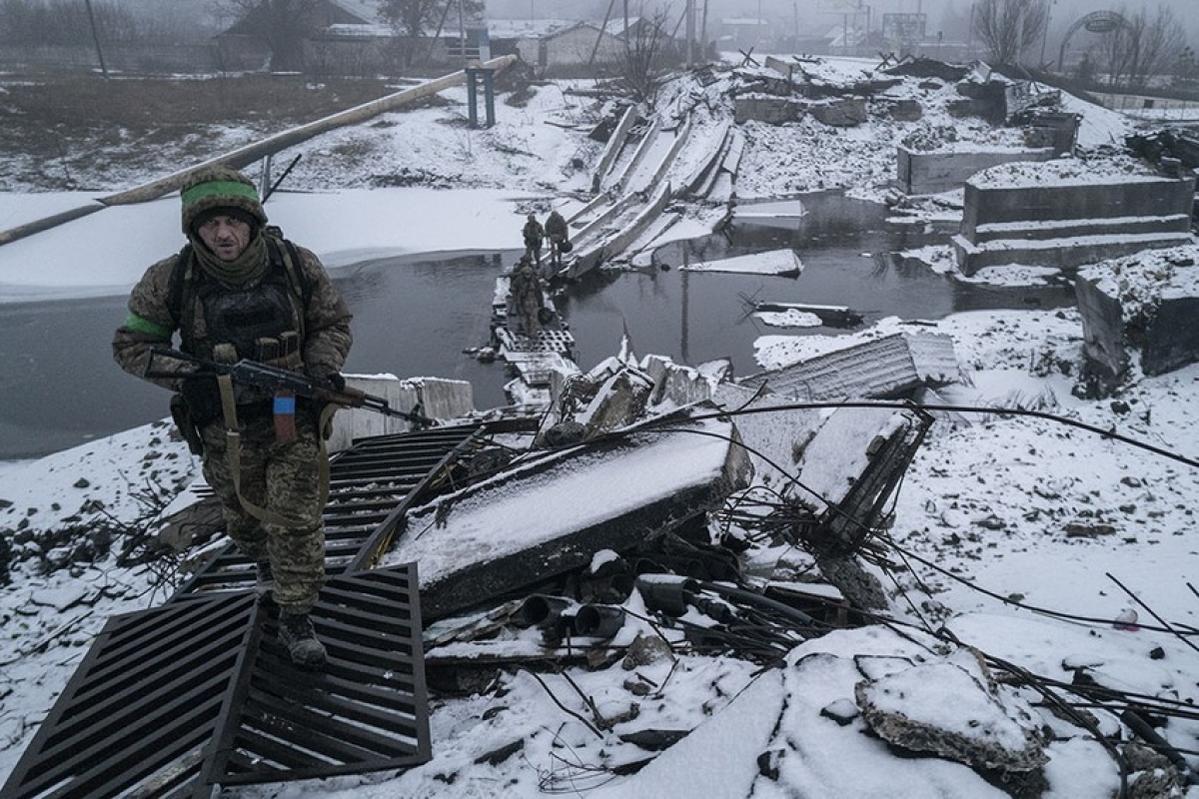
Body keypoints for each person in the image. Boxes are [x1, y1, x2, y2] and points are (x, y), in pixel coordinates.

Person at [113, 165, 352, 668]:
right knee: (244, 519)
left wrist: (321, 369)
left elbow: (332, 323)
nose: (224, 234)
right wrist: (194, 377)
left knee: (296, 519)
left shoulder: (296, 265)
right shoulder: (169, 280)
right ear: (194, 229)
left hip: (290, 415)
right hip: (224, 428)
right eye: (211, 223)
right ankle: (266, 565)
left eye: (234, 222)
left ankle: (296, 615)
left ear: (253, 222)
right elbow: (133, 346)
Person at [508, 255, 544, 338]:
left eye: (529, 274)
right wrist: (516, 297)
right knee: (524, 318)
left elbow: (538, 291)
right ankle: (527, 332)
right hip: (522, 301)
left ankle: (533, 334)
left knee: (533, 318)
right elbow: (513, 287)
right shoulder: (519, 279)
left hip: (532, 301)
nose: (528, 276)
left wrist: (541, 303)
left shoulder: (534, 279)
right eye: (526, 274)